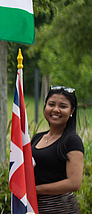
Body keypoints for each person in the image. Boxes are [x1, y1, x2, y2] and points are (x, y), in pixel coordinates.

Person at [32, 86, 84, 214]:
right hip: (33, 206)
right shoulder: (37, 138)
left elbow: (74, 183)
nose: (56, 110)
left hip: (60, 208)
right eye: (51, 104)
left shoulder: (72, 141)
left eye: (63, 106)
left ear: (72, 110)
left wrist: (35, 189)